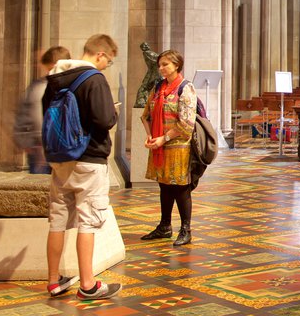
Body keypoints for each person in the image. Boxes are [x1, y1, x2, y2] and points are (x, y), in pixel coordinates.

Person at [42, 34, 122, 300]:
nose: (106, 66)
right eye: (108, 61)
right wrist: (114, 112)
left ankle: (53, 281)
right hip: (89, 159)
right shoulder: (94, 79)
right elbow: (104, 120)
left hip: (60, 157)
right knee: (88, 221)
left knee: (58, 220)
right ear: (100, 54)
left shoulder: (55, 78)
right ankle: (88, 284)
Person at [139, 50, 197, 247]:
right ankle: (164, 226)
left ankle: (186, 229)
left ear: (176, 65)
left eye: (165, 64)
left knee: (180, 188)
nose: (161, 68)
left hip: (179, 146)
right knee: (164, 186)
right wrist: (150, 136)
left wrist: (163, 139)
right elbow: (146, 115)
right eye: (160, 64)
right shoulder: (158, 87)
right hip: (160, 145)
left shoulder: (185, 88)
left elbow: (186, 123)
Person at [15, 46, 71, 174]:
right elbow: (26, 114)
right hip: (41, 149)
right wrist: (26, 141)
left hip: (63, 147)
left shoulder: (72, 86)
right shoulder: (37, 87)